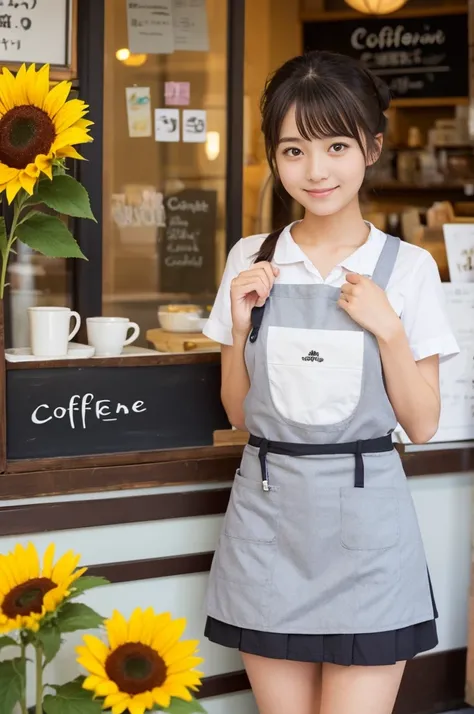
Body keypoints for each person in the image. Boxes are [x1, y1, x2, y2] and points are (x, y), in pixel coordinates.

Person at [202, 50, 459, 714]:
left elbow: (423, 423)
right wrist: (237, 321)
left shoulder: (405, 269)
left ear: (372, 147)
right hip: (267, 527)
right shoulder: (251, 258)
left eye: (336, 145)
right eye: (293, 150)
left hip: (368, 535)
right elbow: (238, 411)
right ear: (274, 157)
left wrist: (389, 330)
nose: (315, 171)